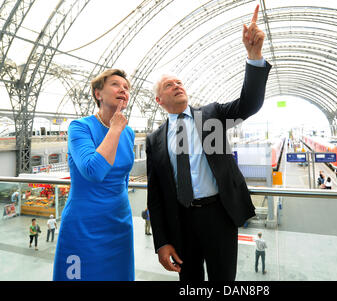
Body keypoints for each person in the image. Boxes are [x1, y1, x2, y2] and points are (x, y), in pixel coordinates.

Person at [146, 5, 271, 281]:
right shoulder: (154, 140)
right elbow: (154, 195)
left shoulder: (211, 115)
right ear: (159, 101)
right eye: (169, 85)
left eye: (179, 82)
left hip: (219, 215)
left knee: (223, 280)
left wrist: (254, 56)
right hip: (181, 221)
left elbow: (249, 104)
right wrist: (161, 242)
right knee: (189, 282)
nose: (177, 85)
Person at [53, 69, 135, 281]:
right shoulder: (80, 127)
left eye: (126, 87)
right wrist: (115, 128)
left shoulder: (129, 132)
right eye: (116, 84)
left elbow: (123, 178)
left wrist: (119, 128)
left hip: (119, 223)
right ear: (98, 94)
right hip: (85, 225)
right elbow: (94, 171)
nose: (123, 90)